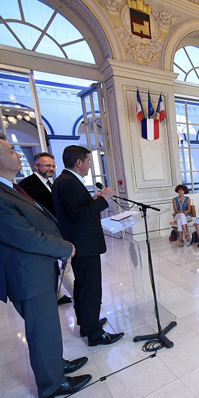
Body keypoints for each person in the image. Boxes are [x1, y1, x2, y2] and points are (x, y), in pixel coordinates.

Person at [0, 132, 90, 398]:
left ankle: (55, 365)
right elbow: (23, 236)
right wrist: (65, 247)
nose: (18, 155)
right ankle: (52, 384)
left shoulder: (0, 185)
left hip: (35, 268)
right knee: (41, 329)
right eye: (11, 151)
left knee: (48, 326)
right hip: (25, 273)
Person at [52, 146, 124, 347]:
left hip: (80, 243)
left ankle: (87, 322)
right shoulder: (69, 183)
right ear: (78, 162)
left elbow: (77, 210)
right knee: (90, 288)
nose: (90, 166)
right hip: (84, 244)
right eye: (89, 161)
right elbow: (79, 216)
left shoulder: (65, 180)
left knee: (83, 286)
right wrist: (103, 200)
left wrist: (92, 201)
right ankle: (94, 333)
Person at [18, 151, 73, 305]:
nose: (51, 169)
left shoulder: (51, 183)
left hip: (56, 228)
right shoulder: (26, 184)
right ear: (36, 166)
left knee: (59, 264)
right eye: (47, 165)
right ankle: (79, 296)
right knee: (64, 263)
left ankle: (57, 295)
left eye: (53, 166)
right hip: (43, 230)